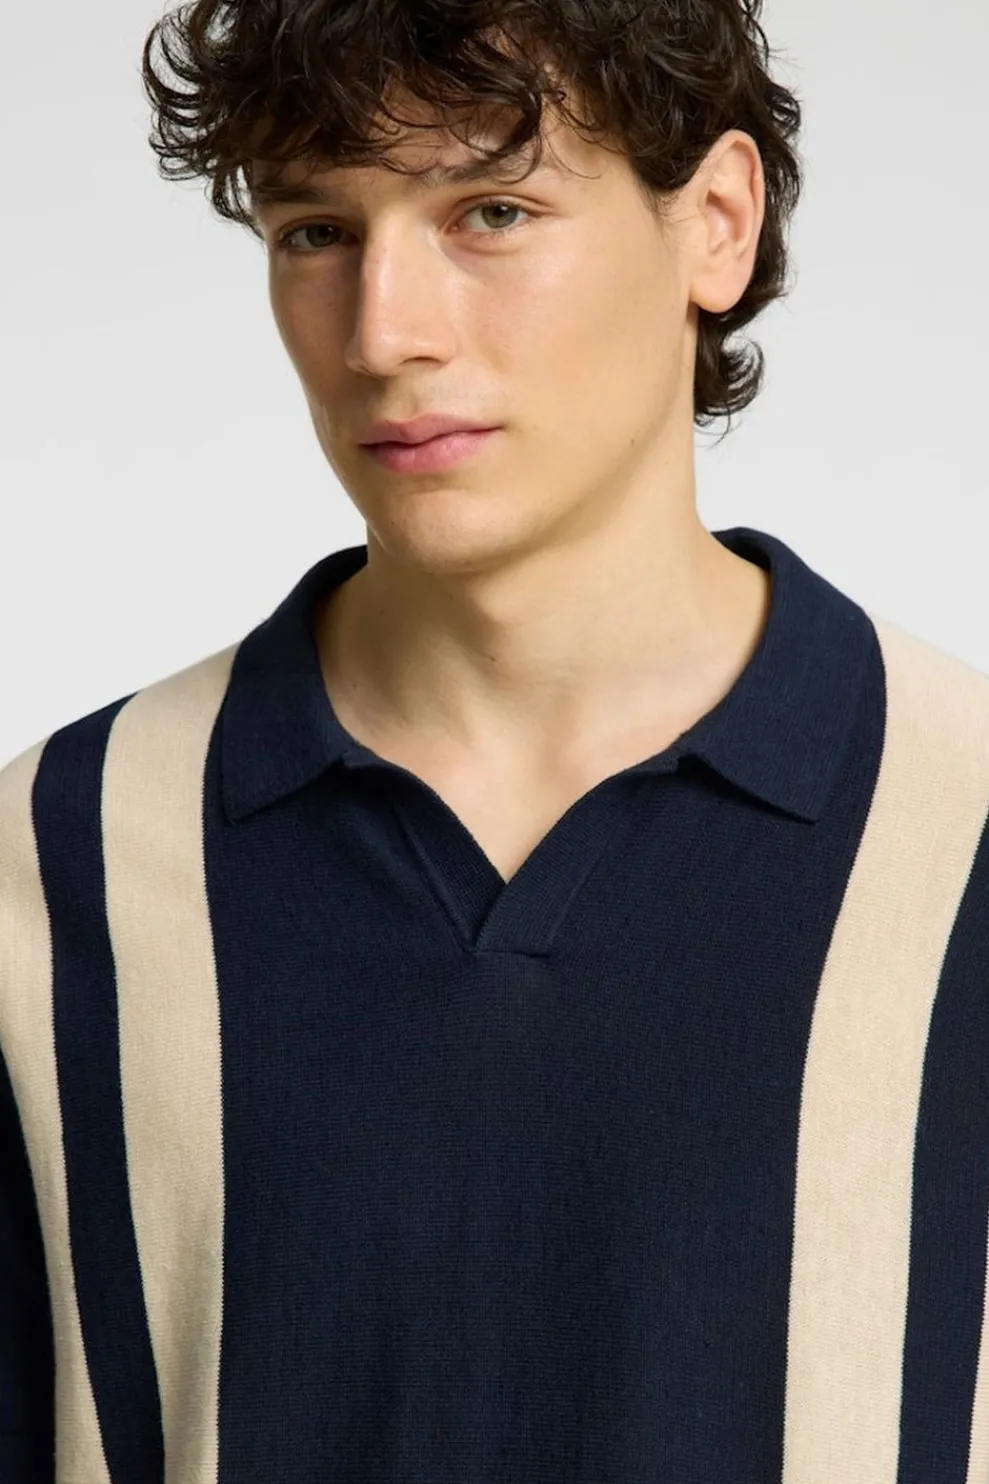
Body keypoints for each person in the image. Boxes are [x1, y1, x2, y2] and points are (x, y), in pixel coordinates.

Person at [3, 1, 989, 1480]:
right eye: (317, 232)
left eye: (492, 211)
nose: (383, 333)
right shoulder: (47, 866)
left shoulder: (963, 827)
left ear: (717, 223)